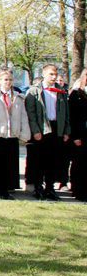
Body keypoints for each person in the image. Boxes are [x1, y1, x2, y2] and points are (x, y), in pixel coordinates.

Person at [0, 69, 30, 200]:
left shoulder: (18, 97)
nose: (8, 82)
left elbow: (23, 117)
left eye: (10, 80)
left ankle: (6, 190)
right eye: (5, 80)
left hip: (12, 136)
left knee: (9, 164)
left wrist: (24, 134)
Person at [25, 63, 70, 201]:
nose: (54, 77)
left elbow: (66, 113)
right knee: (39, 160)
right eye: (51, 74)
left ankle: (50, 188)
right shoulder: (35, 91)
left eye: (55, 74)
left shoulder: (61, 91)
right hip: (42, 128)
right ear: (44, 74)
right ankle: (38, 187)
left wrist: (66, 130)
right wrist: (36, 130)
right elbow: (31, 113)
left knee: (53, 160)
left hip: (57, 128)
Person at [68, 69, 87, 202]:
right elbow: (72, 117)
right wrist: (75, 136)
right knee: (79, 163)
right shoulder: (76, 94)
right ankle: (78, 190)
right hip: (80, 134)